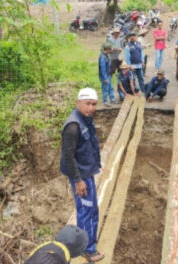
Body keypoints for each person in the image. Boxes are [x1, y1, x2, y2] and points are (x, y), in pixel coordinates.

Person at [59, 88, 104, 262]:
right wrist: (78, 181)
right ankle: (87, 250)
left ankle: (89, 244)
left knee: (92, 209)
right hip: (80, 176)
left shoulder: (85, 119)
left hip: (86, 171)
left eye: (94, 104)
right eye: (88, 104)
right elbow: (68, 156)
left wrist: (96, 166)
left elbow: (88, 146)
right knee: (86, 212)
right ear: (78, 103)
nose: (91, 108)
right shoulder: (73, 126)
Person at [98, 42, 116, 107]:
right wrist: (105, 78)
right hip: (104, 76)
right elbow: (103, 68)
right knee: (105, 88)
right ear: (107, 49)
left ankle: (112, 99)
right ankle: (105, 101)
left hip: (108, 75)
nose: (111, 50)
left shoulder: (106, 56)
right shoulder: (102, 57)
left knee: (111, 87)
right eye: (110, 49)